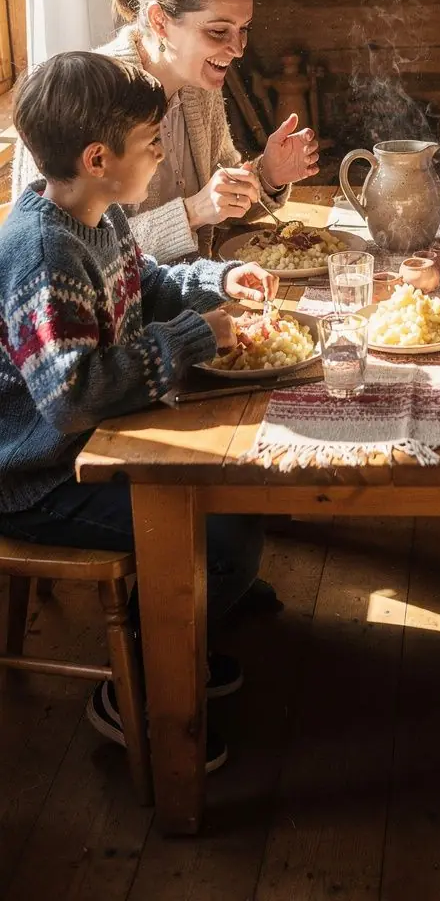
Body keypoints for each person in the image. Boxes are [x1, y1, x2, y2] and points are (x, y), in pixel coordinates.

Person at [0, 52, 280, 772]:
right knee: (222, 541)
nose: (161, 155)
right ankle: (145, 695)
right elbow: (71, 399)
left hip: (99, 445)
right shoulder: (40, 251)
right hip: (38, 477)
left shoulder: (98, 216)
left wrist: (218, 277)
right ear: (99, 157)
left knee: (244, 497)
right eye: (153, 143)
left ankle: (180, 627)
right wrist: (192, 335)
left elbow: (147, 283)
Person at [13, 0, 320, 264]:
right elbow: (66, 251)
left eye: (243, 29)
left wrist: (268, 175)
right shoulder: (81, 97)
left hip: (187, 292)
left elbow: (222, 201)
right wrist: (191, 212)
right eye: (218, 31)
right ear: (160, 20)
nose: (238, 48)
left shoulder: (199, 87)